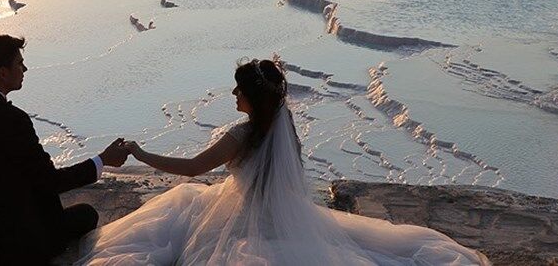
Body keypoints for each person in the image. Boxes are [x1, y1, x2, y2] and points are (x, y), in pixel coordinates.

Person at [78, 58, 490, 265]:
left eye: (237, 90)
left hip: (243, 214)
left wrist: (138, 152)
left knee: (181, 210)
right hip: (287, 209)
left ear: (251, 98)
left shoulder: (240, 136)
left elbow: (192, 169)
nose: (232, 96)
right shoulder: (282, 121)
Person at [0, 34, 129, 264]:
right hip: (6, 238)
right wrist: (102, 160)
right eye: (19, 63)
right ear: (3, 73)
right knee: (86, 215)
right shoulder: (13, 120)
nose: (24, 68)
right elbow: (50, 182)